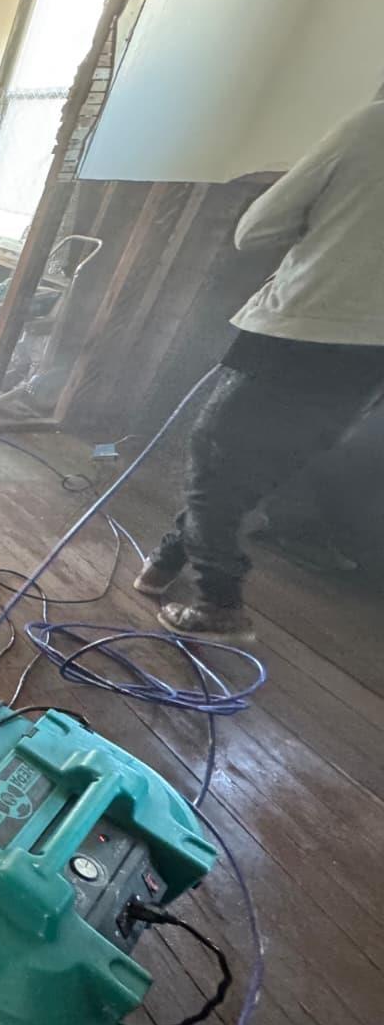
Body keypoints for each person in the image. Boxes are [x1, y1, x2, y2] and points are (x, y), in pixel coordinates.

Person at [135, 99, 384, 639]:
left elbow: (256, 230)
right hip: (371, 361)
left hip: (299, 331)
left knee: (212, 456)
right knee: (257, 469)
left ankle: (219, 601)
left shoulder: (369, 123)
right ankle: (169, 558)